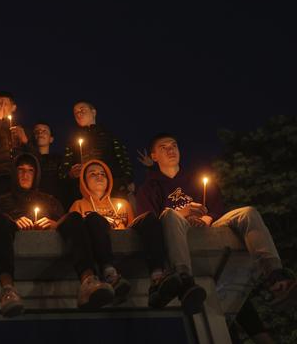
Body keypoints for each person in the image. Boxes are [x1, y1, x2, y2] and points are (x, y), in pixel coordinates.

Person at [138, 133, 297, 314]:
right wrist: (184, 212)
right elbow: (149, 222)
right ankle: (184, 279)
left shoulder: (195, 177)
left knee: (248, 213)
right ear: (154, 156)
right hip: (178, 231)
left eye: (173, 145)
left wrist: (207, 218)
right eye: (163, 147)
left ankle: (275, 276)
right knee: (169, 214)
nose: (170, 150)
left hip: (208, 225)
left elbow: (216, 206)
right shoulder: (149, 188)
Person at [0, 153, 114, 317]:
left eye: (30, 171)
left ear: (37, 174)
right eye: (20, 170)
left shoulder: (49, 201)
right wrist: (12, 223)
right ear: (14, 173)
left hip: (55, 251)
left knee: (75, 217)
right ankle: (7, 290)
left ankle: (88, 280)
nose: (25, 175)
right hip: (12, 249)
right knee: (1, 221)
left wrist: (55, 225)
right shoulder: (0, 201)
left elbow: (67, 222)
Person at [70, 160, 182, 308]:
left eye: (102, 174)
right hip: (100, 244)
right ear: (84, 181)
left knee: (149, 217)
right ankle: (110, 275)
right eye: (93, 174)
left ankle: (157, 277)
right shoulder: (78, 204)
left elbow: (131, 226)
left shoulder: (122, 203)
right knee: (94, 218)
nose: (99, 177)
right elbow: (79, 233)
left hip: (124, 236)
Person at [62, 101, 134, 201]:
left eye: (82, 110)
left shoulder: (109, 135)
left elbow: (125, 162)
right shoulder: (72, 141)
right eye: (76, 112)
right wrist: (71, 174)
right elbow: (64, 171)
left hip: (114, 191)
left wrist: (124, 182)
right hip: (84, 195)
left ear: (93, 112)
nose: (79, 114)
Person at [33, 121, 75, 210]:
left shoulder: (59, 160)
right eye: (37, 131)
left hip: (54, 206)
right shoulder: (27, 159)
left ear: (51, 139)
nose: (40, 133)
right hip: (32, 203)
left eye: (44, 131)